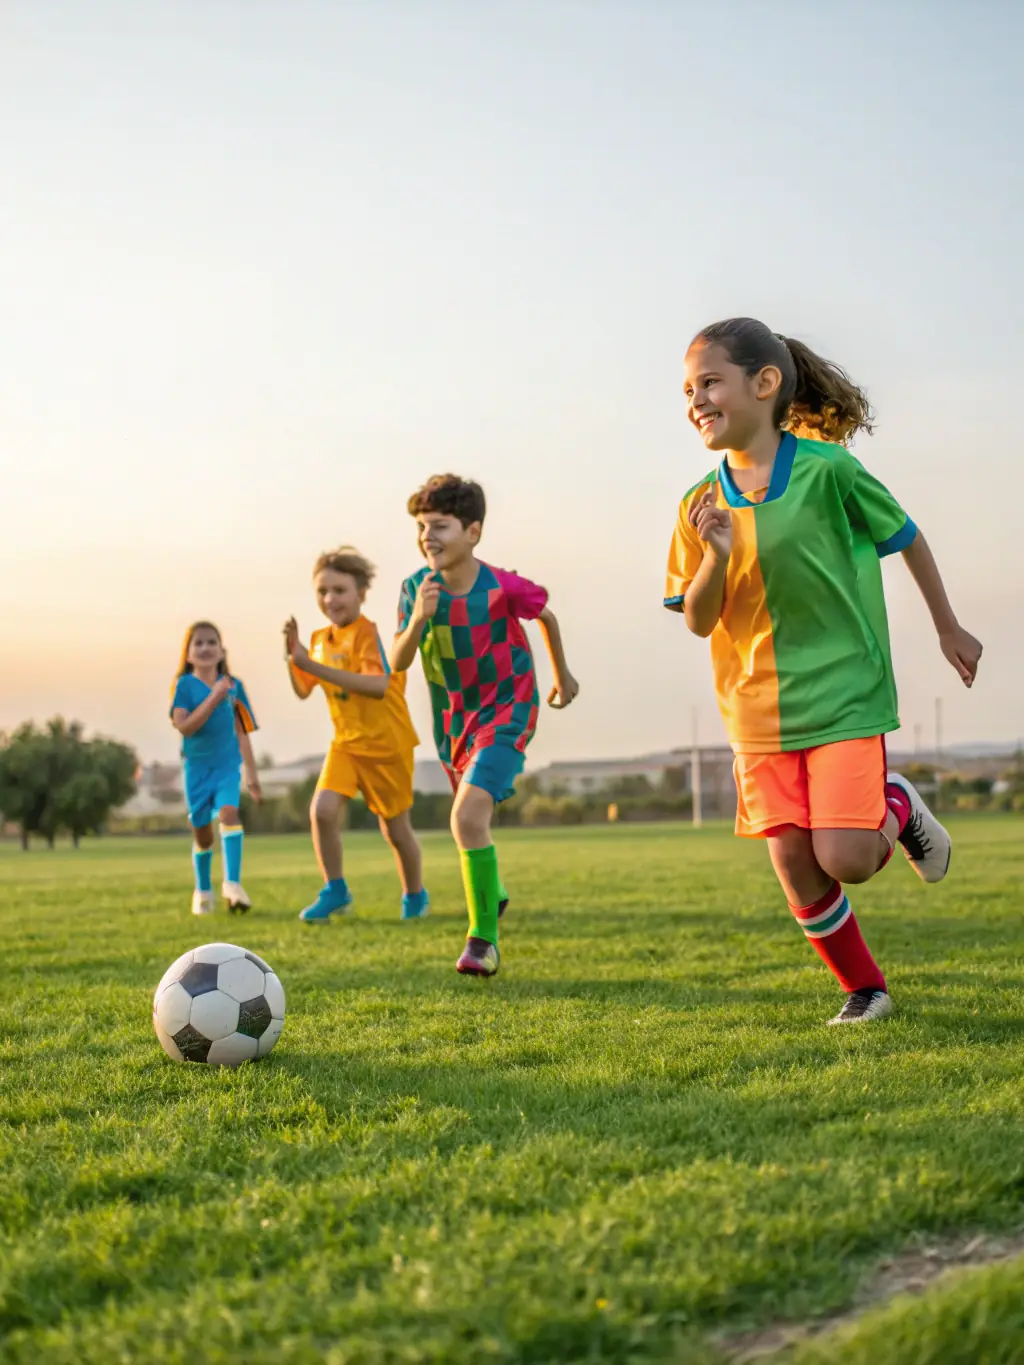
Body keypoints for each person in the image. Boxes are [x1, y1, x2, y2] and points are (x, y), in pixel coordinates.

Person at [665, 317, 982, 1024]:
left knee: (847, 857)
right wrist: (713, 552)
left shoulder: (829, 469)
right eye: (687, 390)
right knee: (794, 865)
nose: (696, 401)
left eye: (709, 382)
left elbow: (907, 537)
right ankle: (866, 989)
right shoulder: (698, 505)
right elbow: (696, 617)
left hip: (844, 693)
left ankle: (894, 805)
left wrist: (948, 626)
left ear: (765, 383)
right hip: (755, 714)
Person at [391, 474, 579, 977]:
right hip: (454, 725)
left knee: (466, 819)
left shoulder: (500, 585)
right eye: (421, 526)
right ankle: (492, 895)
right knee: (468, 821)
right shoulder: (415, 589)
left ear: (472, 532)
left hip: (508, 709)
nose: (427, 536)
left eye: (440, 526)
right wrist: (417, 621)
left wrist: (563, 676)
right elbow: (398, 660)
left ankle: (483, 943)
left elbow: (547, 616)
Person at [284, 546, 428, 923]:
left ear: (361, 592)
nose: (330, 599)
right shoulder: (318, 639)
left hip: (388, 745)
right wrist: (293, 660)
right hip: (346, 744)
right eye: (322, 591)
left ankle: (415, 895)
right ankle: (336, 890)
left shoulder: (368, 635)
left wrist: (309, 664)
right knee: (322, 811)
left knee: (395, 830)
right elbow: (303, 689)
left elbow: (378, 684)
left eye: (340, 590)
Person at [170, 621, 261, 915]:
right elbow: (185, 726)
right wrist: (214, 697)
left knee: (229, 813)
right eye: (199, 643)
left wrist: (252, 774)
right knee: (203, 834)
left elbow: (242, 732)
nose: (206, 648)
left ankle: (232, 884)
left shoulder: (235, 687)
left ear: (222, 651)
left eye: (212, 642)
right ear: (188, 654)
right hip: (196, 769)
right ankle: (203, 890)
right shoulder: (184, 686)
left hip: (227, 767)